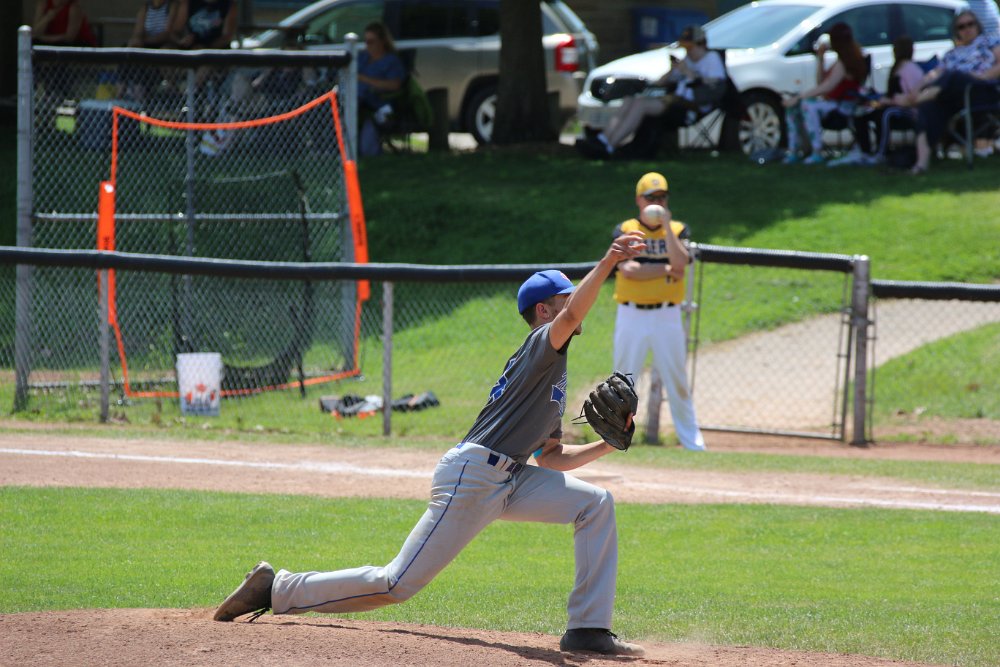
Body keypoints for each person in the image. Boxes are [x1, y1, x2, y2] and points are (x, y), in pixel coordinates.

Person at [213, 234, 650, 657]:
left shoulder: (553, 371)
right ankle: (277, 588)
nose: (576, 306)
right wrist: (609, 261)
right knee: (395, 584)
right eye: (565, 298)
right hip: (474, 476)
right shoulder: (542, 344)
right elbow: (570, 317)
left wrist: (607, 445)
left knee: (595, 504)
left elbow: (550, 458)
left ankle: (588, 629)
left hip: (512, 478)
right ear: (544, 310)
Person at [611, 172, 705, 452]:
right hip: (631, 314)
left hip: (667, 315)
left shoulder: (677, 229)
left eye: (662, 197)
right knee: (623, 380)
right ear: (639, 200)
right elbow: (628, 269)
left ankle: (692, 444)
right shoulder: (627, 228)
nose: (658, 202)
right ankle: (613, 439)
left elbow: (682, 263)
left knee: (677, 379)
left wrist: (665, 227)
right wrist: (666, 269)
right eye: (651, 197)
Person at [587, 24, 726, 158]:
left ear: (702, 45)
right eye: (685, 48)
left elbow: (714, 88)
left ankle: (610, 145)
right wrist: (672, 70)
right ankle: (604, 138)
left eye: (690, 48)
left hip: (689, 107)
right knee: (630, 100)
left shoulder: (711, 59)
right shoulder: (687, 60)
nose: (688, 52)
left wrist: (688, 73)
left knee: (640, 105)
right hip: (673, 101)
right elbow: (659, 83)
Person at [910, 10, 1000, 173]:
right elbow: (934, 74)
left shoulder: (989, 42)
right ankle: (921, 162)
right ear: (956, 31)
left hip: (982, 90)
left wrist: (982, 76)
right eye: (961, 26)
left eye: (970, 24)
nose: (967, 29)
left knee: (955, 75)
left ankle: (916, 100)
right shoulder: (951, 54)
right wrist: (917, 87)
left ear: (978, 26)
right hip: (953, 97)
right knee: (927, 108)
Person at [829, 35, 924, 166]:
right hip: (892, 104)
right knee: (862, 111)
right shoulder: (897, 67)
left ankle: (881, 154)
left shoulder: (910, 69)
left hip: (910, 109)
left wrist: (891, 101)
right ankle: (864, 151)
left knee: (885, 114)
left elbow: (913, 97)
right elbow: (892, 94)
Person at [782, 22, 867, 165]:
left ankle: (817, 151)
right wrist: (820, 59)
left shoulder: (846, 61)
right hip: (832, 103)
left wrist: (798, 97)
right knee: (794, 108)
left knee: (807, 106)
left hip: (843, 106)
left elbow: (827, 87)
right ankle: (795, 150)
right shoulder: (841, 60)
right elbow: (821, 83)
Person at [357, 21, 406, 157]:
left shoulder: (391, 61)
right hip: (349, 98)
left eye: (371, 41)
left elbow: (395, 85)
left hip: (374, 104)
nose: (367, 45)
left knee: (367, 149)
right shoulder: (362, 57)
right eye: (366, 41)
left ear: (382, 41)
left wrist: (365, 79)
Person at [171, 0, 238, 50]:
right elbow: (174, 32)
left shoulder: (229, 5)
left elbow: (227, 37)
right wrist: (182, 40)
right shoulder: (188, 3)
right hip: (190, 49)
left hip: (216, 52)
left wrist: (206, 48)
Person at [32, 0, 98, 46]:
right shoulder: (43, 3)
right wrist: (46, 19)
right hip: (51, 43)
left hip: (78, 44)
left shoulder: (74, 7)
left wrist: (45, 38)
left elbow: (69, 38)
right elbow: (35, 33)